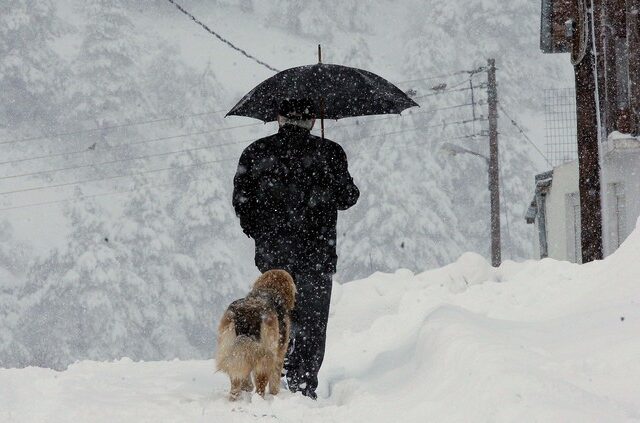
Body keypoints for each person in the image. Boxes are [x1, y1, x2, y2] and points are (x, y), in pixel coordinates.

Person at [232, 98, 359, 399]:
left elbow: (241, 202)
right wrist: (327, 174)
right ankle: (303, 385)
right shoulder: (329, 153)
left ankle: (276, 372)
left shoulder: (255, 153)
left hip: (274, 258)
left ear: (279, 117)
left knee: (272, 317)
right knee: (312, 322)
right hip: (317, 255)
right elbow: (348, 197)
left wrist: (261, 234)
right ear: (313, 120)